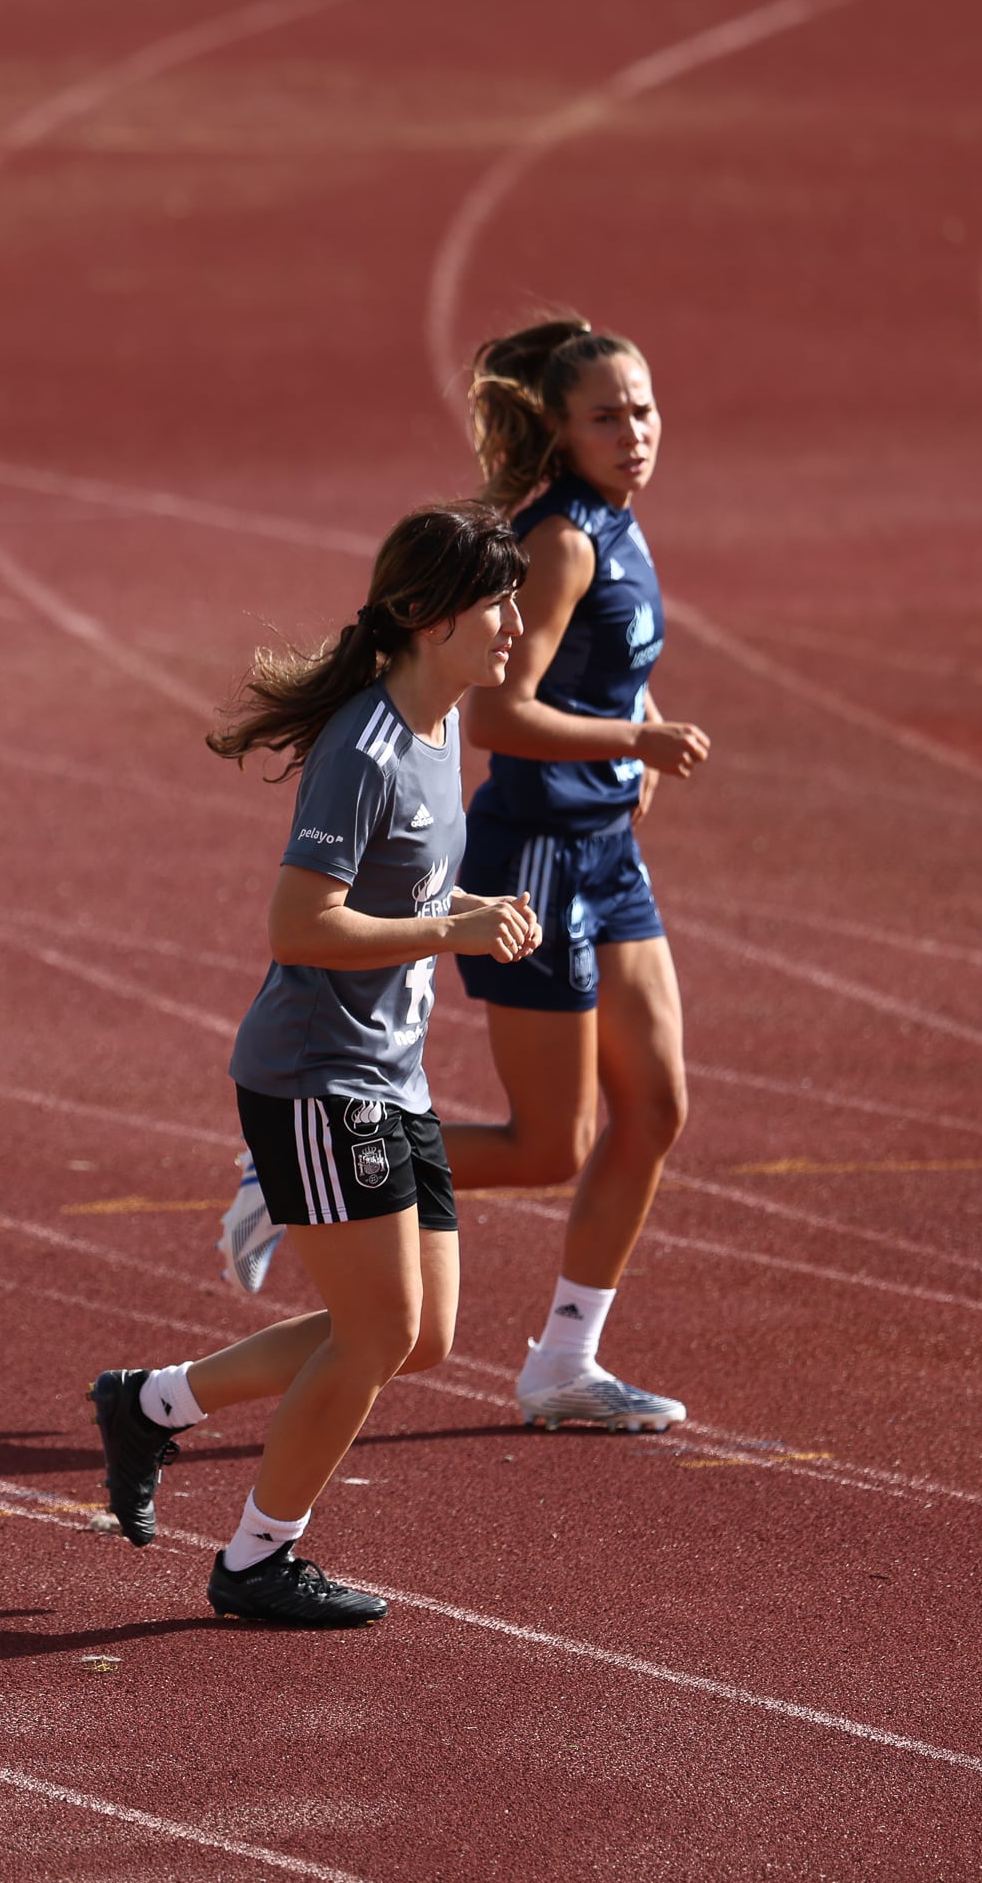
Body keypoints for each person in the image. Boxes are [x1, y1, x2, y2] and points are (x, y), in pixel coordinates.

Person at [218, 326, 707, 1438]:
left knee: (659, 1107)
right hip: (538, 851)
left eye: (643, 409)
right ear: (556, 429)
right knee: (552, 1143)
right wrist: (627, 744)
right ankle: (287, 1168)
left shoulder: (619, 530)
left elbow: (614, 668)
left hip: (607, 855)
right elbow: (497, 712)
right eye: (606, 417)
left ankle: (566, 1363)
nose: (634, 434)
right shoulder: (559, 544)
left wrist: (628, 737)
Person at [96, 501, 537, 1627]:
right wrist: (450, 933)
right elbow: (299, 927)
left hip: (391, 1073)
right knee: (378, 1336)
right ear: (431, 617)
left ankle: (153, 1404)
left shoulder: (441, 730)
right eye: (499, 604)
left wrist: (464, 908)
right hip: (317, 1077)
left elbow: (404, 895)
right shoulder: (366, 748)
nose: (516, 624)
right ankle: (255, 1560)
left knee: (420, 1336)